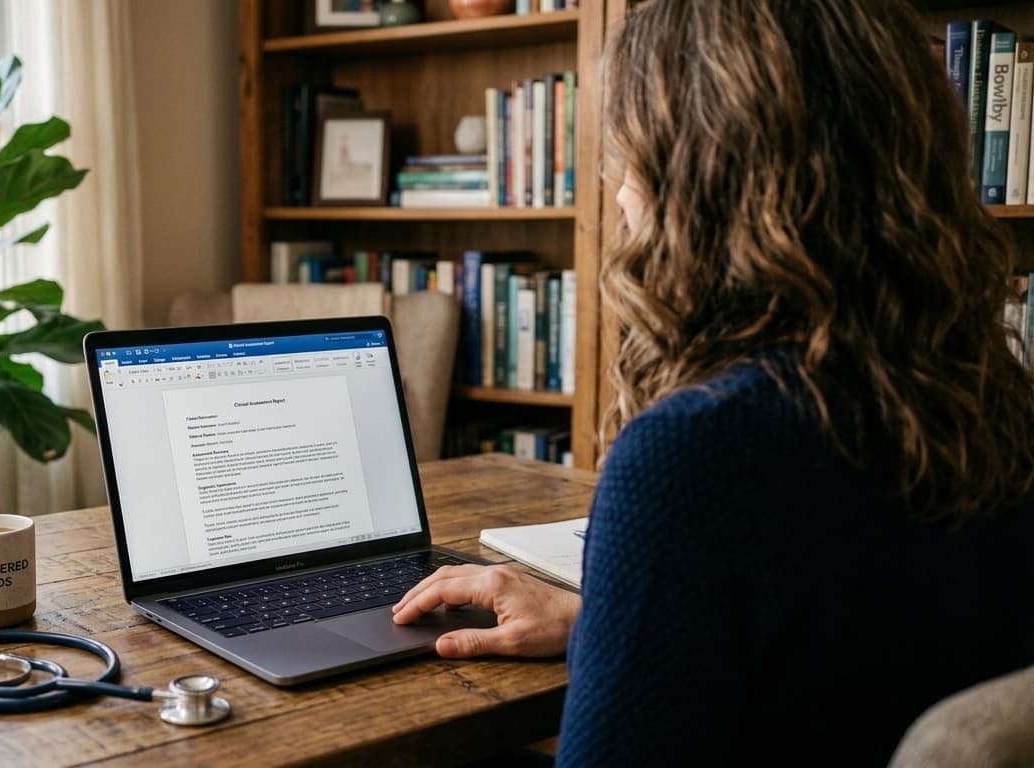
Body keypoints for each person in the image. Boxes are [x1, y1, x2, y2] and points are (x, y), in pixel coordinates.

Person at [391, 0, 1034, 764]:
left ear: (703, 177)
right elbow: (852, 650)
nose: (619, 195)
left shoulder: (695, 454)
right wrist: (605, 624)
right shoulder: (991, 396)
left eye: (634, 156)